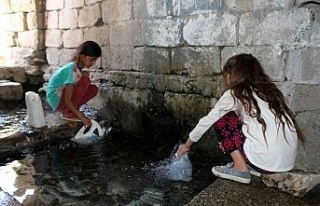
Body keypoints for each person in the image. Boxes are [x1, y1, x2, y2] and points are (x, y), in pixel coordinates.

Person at [177, 53, 305, 184]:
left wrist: (187, 146)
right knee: (237, 123)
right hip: (285, 163)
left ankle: (240, 169)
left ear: (232, 75)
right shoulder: (269, 92)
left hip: (265, 163)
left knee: (222, 119)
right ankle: (248, 164)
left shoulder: (234, 94)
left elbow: (207, 121)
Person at [46, 41, 102, 128]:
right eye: (92, 59)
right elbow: (68, 100)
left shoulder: (77, 69)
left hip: (62, 98)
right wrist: (82, 117)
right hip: (56, 99)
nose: (93, 63)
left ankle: (71, 110)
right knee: (85, 81)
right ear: (82, 56)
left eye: (95, 60)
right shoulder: (71, 69)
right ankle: (67, 112)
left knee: (93, 89)